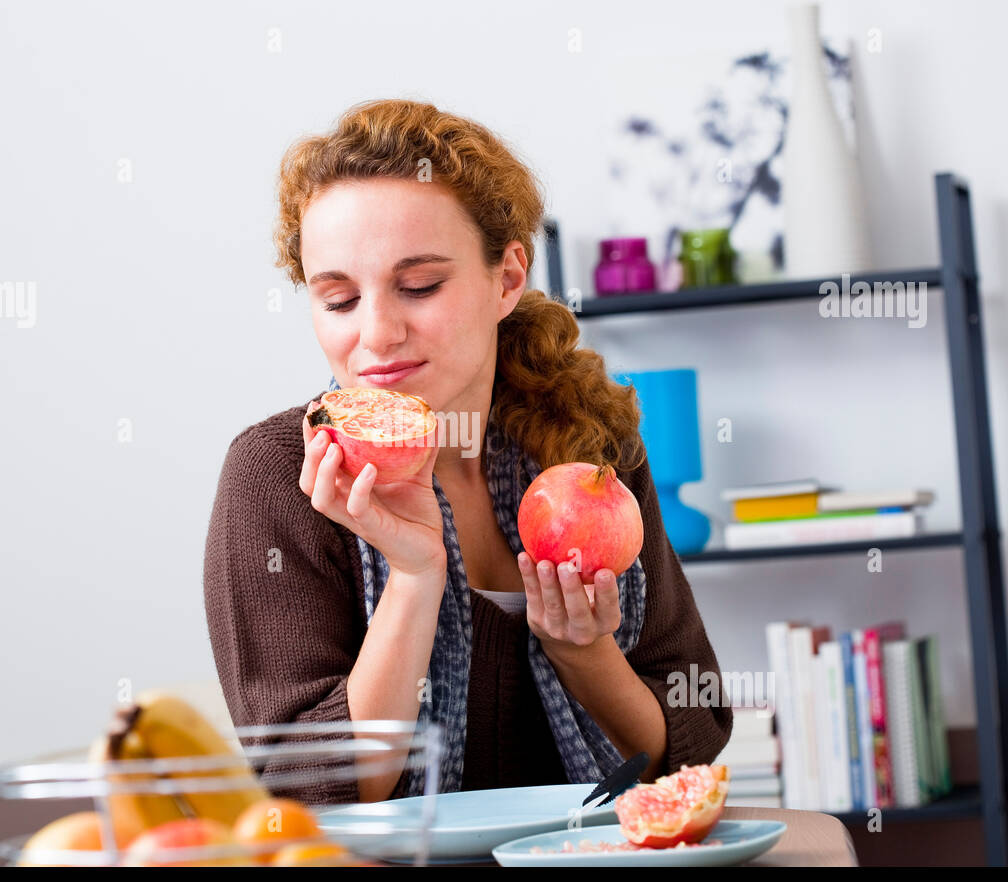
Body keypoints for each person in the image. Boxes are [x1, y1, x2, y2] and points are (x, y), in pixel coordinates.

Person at [205, 98, 732, 806]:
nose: (379, 333)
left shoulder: (591, 448)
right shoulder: (275, 476)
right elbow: (308, 789)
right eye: (338, 299)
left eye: (418, 286)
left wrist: (582, 650)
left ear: (507, 278)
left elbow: (687, 732)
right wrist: (415, 578)